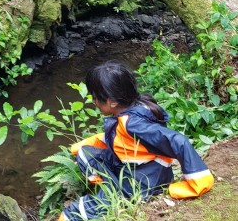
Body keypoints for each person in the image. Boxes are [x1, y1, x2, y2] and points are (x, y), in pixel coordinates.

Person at [59, 61, 214, 221]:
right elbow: (123, 140)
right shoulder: (139, 104)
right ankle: (110, 187)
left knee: (73, 214)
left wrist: (198, 182)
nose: (93, 102)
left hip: (143, 181)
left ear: (112, 101)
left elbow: (178, 141)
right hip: (137, 165)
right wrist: (87, 143)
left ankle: (115, 194)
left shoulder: (133, 124)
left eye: (96, 98)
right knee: (84, 153)